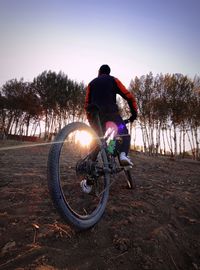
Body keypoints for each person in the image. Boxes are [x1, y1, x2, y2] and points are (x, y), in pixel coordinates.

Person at [80, 64, 137, 193]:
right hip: (112, 114)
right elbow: (129, 96)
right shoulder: (113, 80)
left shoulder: (91, 83)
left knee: (96, 146)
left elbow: (86, 104)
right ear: (109, 72)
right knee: (123, 132)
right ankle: (122, 154)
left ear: (99, 72)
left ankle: (88, 184)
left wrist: (91, 122)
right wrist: (134, 114)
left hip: (96, 117)